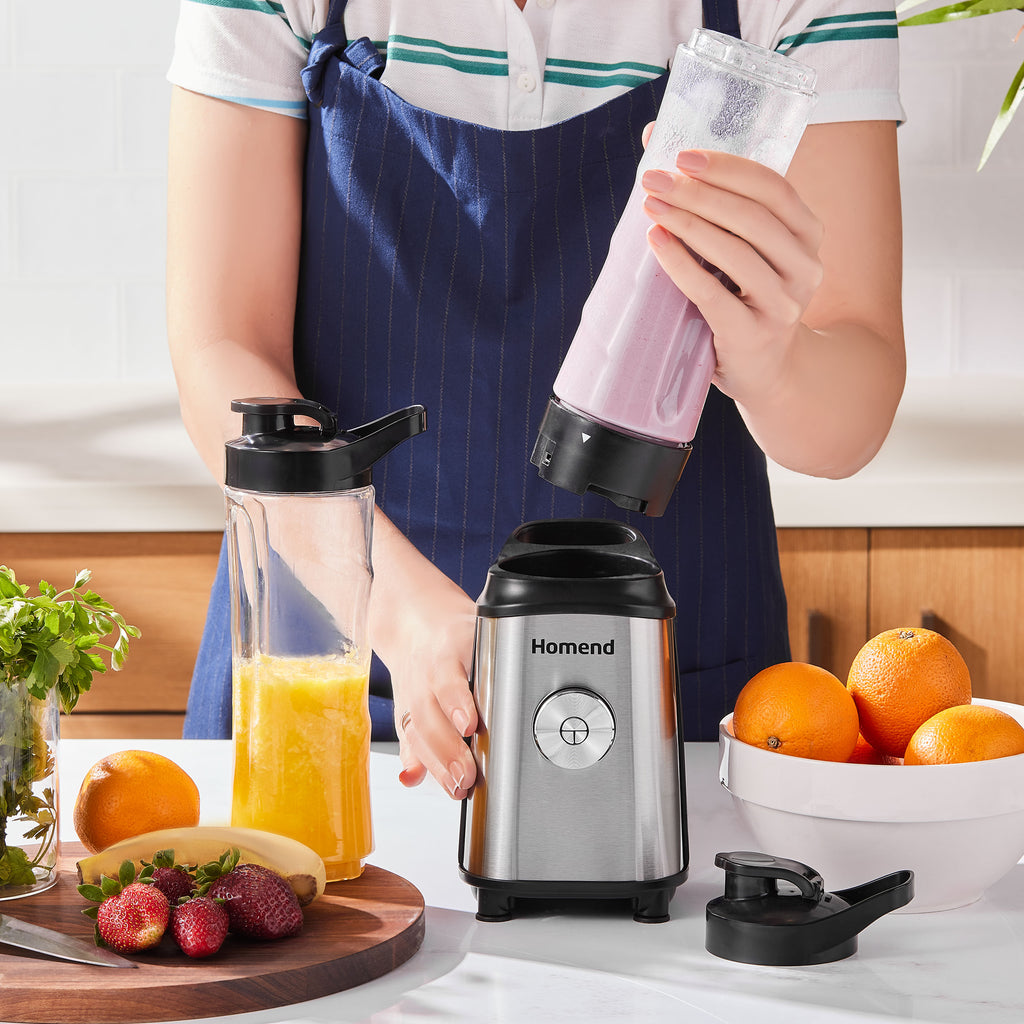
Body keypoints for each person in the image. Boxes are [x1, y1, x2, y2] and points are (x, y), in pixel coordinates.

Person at [166, 0, 906, 800]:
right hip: (321, 660)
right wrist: (395, 609)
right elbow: (223, 353)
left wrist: (770, 358)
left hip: (674, 690)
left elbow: (850, 413)